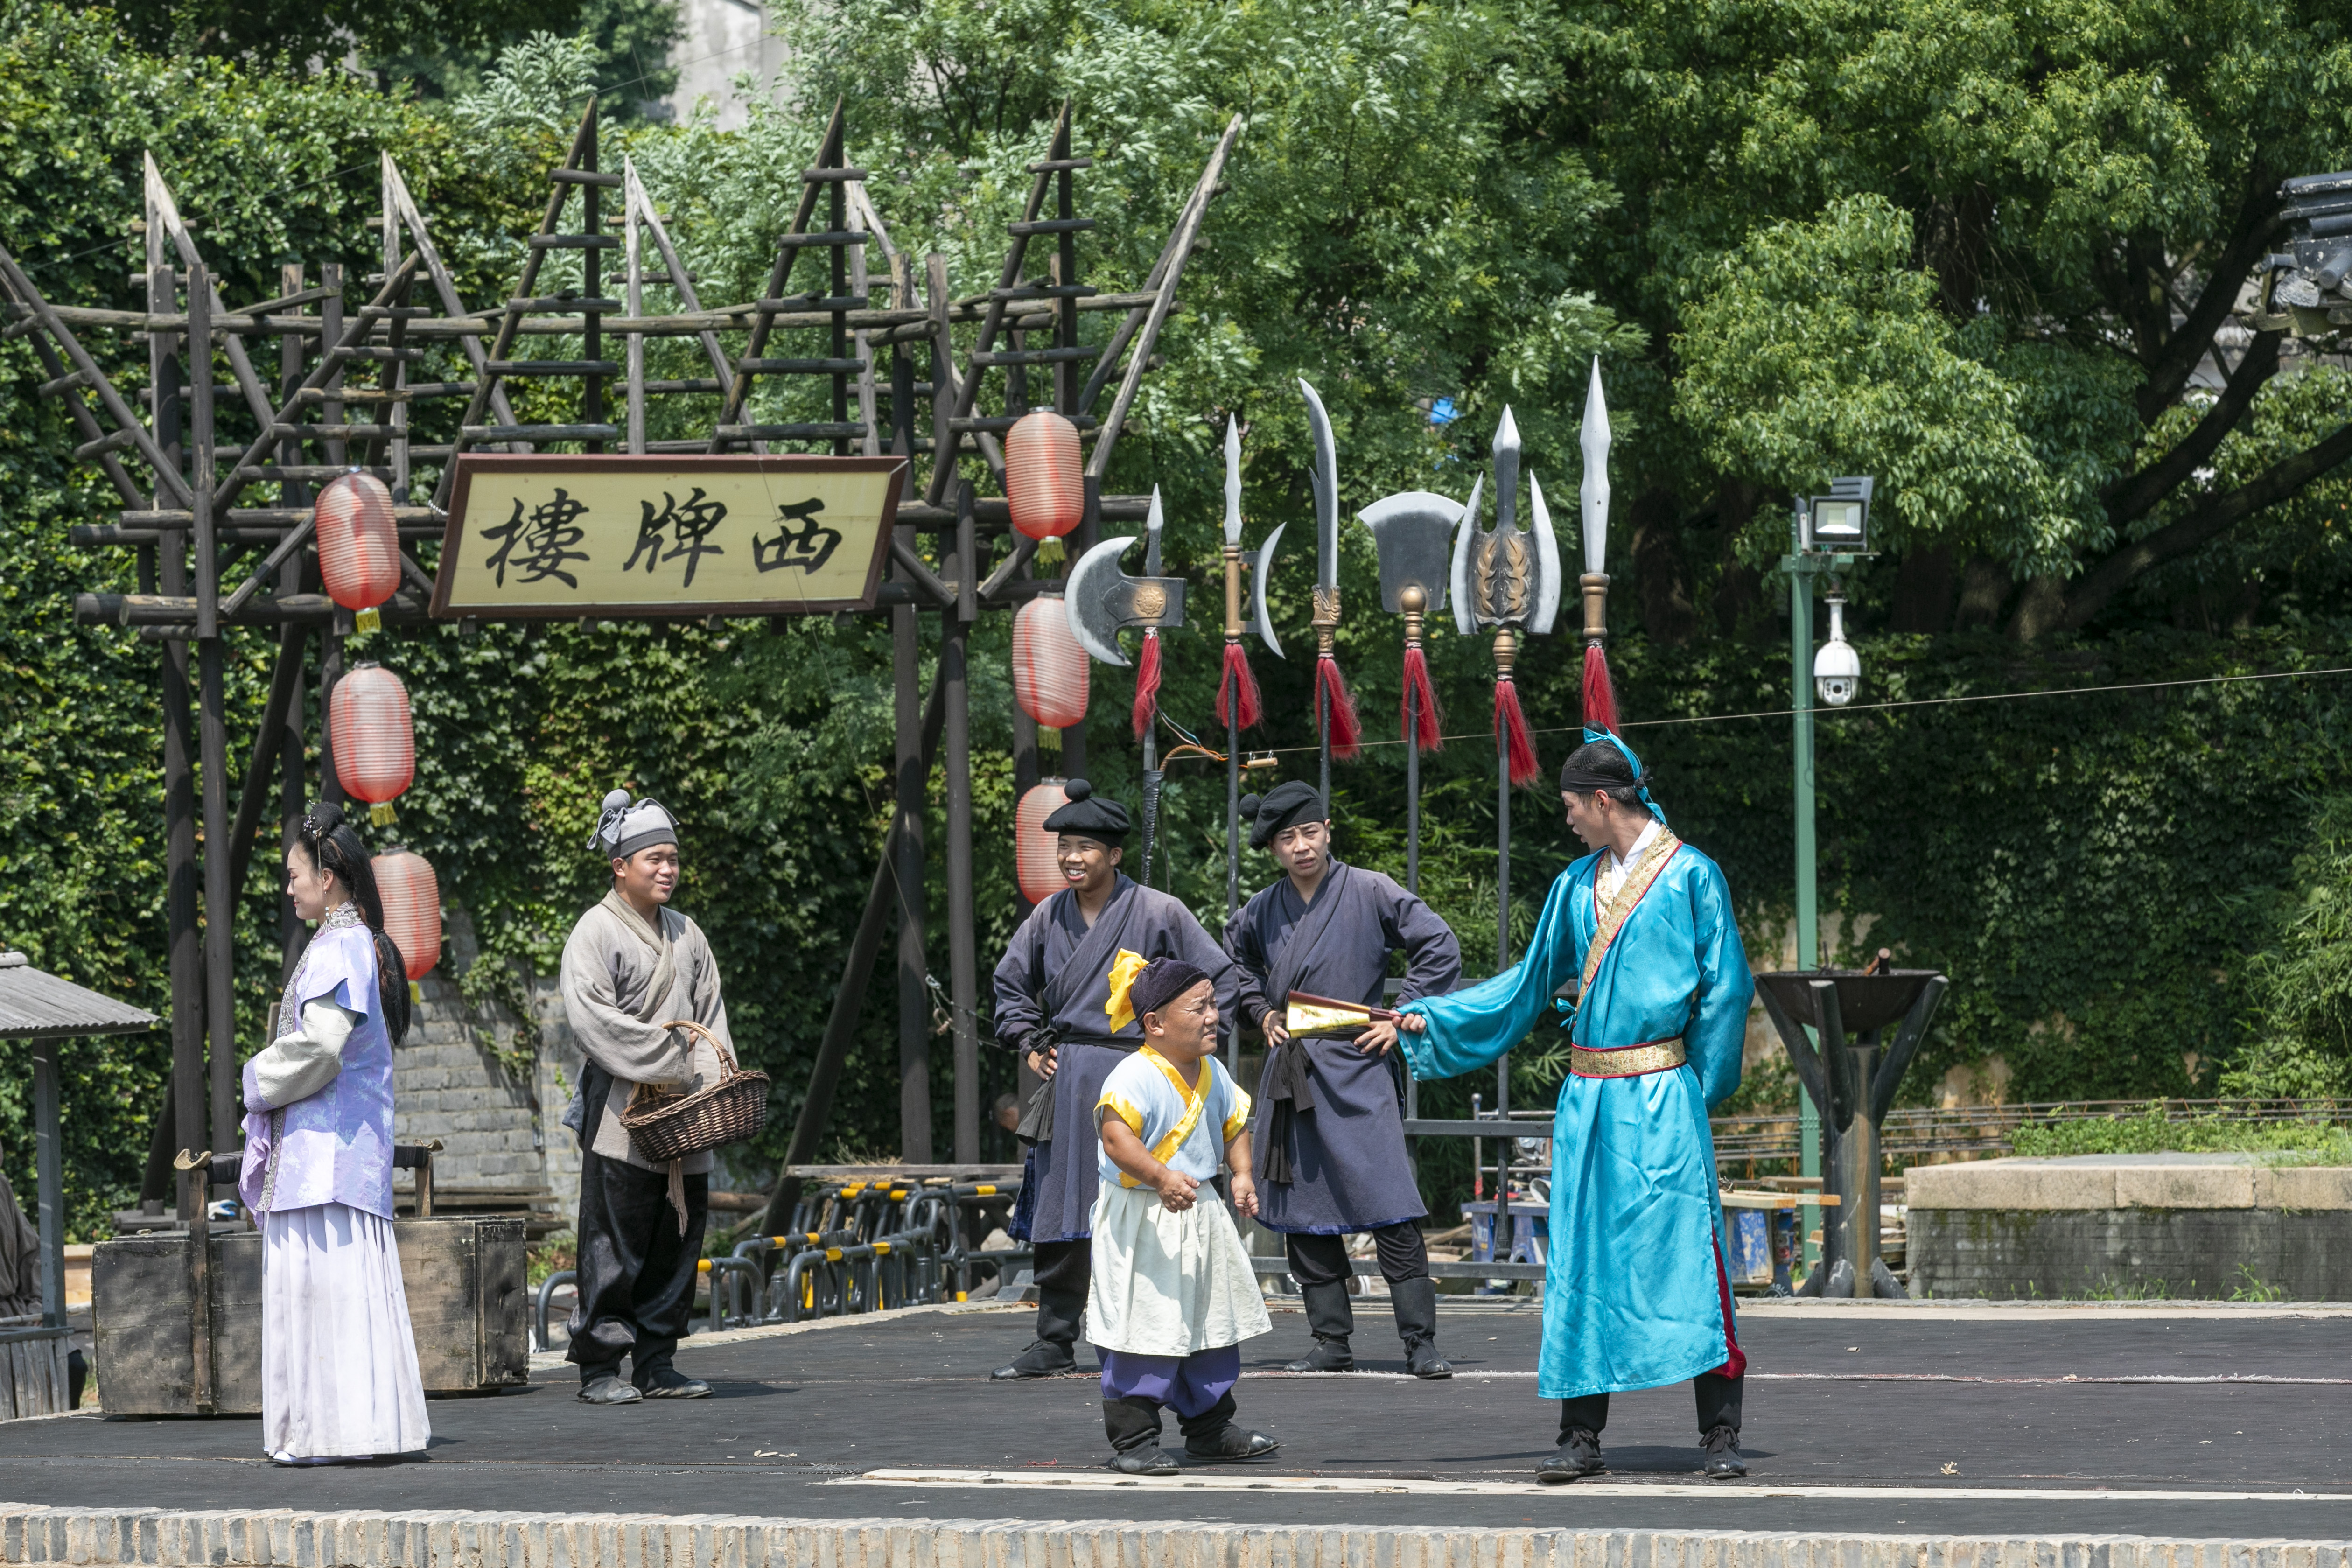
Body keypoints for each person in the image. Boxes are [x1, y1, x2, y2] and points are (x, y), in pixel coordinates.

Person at [1399, 734, 1755, 1482]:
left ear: (1602, 799)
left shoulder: (1693, 876)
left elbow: (1727, 990)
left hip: (1662, 1090)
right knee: (1582, 1262)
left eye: (1569, 807)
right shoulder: (1573, 887)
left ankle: (1720, 1433)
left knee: (1689, 1256)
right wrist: (1432, 1018)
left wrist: (1700, 1087)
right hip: (1590, 1098)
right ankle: (1580, 1436)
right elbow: (1527, 985)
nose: (1566, 822)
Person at [989, 778, 1237, 1381]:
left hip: (1143, 1076)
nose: (1072, 858)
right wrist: (1028, 1041)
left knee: (1149, 1204)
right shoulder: (1048, 916)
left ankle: (1162, 1334)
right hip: (1072, 1074)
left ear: (1116, 855)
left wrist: (1183, 1046)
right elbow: (1010, 985)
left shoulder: (1160, 911)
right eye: (1065, 847)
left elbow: (1218, 981)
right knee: (1063, 1204)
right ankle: (1053, 1338)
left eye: (1086, 848)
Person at [1225, 780, 1461, 1377]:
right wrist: (1262, 1013)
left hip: (1358, 1063)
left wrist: (1402, 1017)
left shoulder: (1371, 890)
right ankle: (1331, 1341)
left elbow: (1438, 945)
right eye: (1287, 839)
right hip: (1293, 1069)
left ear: (1327, 830)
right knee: (1303, 1206)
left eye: (1309, 832)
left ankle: (1420, 1342)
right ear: (1275, 849)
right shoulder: (1259, 910)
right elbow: (1233, 968)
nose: (1301, 846)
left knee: (1388, 1199)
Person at [237, 800, 429, 1466]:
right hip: (333, 1156)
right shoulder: (350, 943)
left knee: (325, 1297)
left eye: (294, 874)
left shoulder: (342, 947)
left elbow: (320, 1050)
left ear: (328, 877)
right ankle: (351, 1430)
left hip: (327, 1159)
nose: (289, 887)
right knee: (340, 1299)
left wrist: (253, 1077)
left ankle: (332, 1433)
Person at [558, 790, 733, 1405]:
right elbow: (593, 1021)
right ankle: (600, 1367)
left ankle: (658, 1361)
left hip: (687, 1111)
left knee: (676, 1239)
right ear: (620, 866)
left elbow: (712, 1018)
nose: (667, 869)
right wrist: (676, 1059)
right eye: (654, 859)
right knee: (613, 1241)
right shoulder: (595, 931)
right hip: (622, 1109)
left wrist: (710, 1087)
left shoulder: (689, 935)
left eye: (673, 859)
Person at [1090, 957, 1279, 1473]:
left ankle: (1211, 1429)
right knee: (1144, 1322)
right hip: (1144, 1220)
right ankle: (1135, 1441)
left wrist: (1241, 1175)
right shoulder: (1133, 1074)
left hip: (1199, 1212)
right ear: (1155, 1023)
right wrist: (1160, 1177)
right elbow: (1115, 1138)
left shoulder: (1212, 1071)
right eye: (1200, 1008)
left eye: (1214, 1004)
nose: (1214, 1016)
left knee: (1210, 1321)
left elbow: (1234, 1124)